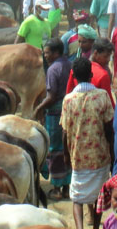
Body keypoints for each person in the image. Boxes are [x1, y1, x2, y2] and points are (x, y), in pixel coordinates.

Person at [61, 57, 114, 229]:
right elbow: (109, 128)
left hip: (78, 157)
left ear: (74, 77)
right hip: (99, 156)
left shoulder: (68, 100)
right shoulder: (102, 96)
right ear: (91, 75)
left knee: (77, 197)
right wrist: (112, 153)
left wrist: (66, 155)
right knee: (98, 196)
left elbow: (64, 132)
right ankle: (96, 227)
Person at [33, 39, 72, 200]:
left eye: (47, 52)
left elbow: (51, 96)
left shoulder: (53, 69)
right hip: (69, 111)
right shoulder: (69, 64)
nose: (45, 55)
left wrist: (38, 108)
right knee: (67, 148)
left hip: (55, 115)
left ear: (56, 53)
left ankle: (56, 187)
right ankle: (67, 186)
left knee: (55, 149)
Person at [66, 38, 115, 107]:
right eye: (106, 56)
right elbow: (108, 103)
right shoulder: (103, 75)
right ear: (95, 53)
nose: (108, 60)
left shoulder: (76, 69)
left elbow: (68, 94)